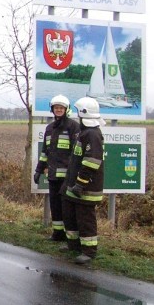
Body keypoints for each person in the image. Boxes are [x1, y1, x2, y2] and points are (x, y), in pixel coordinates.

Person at [62, 97, 105, 265]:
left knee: (85, 219)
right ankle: (74, 245)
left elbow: (91, 162)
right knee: (71, 215)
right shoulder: (85, 132)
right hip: (76, 185)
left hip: (86, 187)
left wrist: (80, 183)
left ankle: (89, 251)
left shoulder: (92, 134)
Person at [34, 95, 80, 241]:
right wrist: (38, 170)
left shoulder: (73, 127)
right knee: (55, 206)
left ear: (66, 110)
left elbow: (76, 152)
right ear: (52, 110)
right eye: (56, 108)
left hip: (67, 177)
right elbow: (45, 152)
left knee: (67, 207)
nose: (58, 110)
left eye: (61, 108)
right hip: (53, 176)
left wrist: (73, 174)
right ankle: (58, 233)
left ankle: (70, 236)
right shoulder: (49, 128)